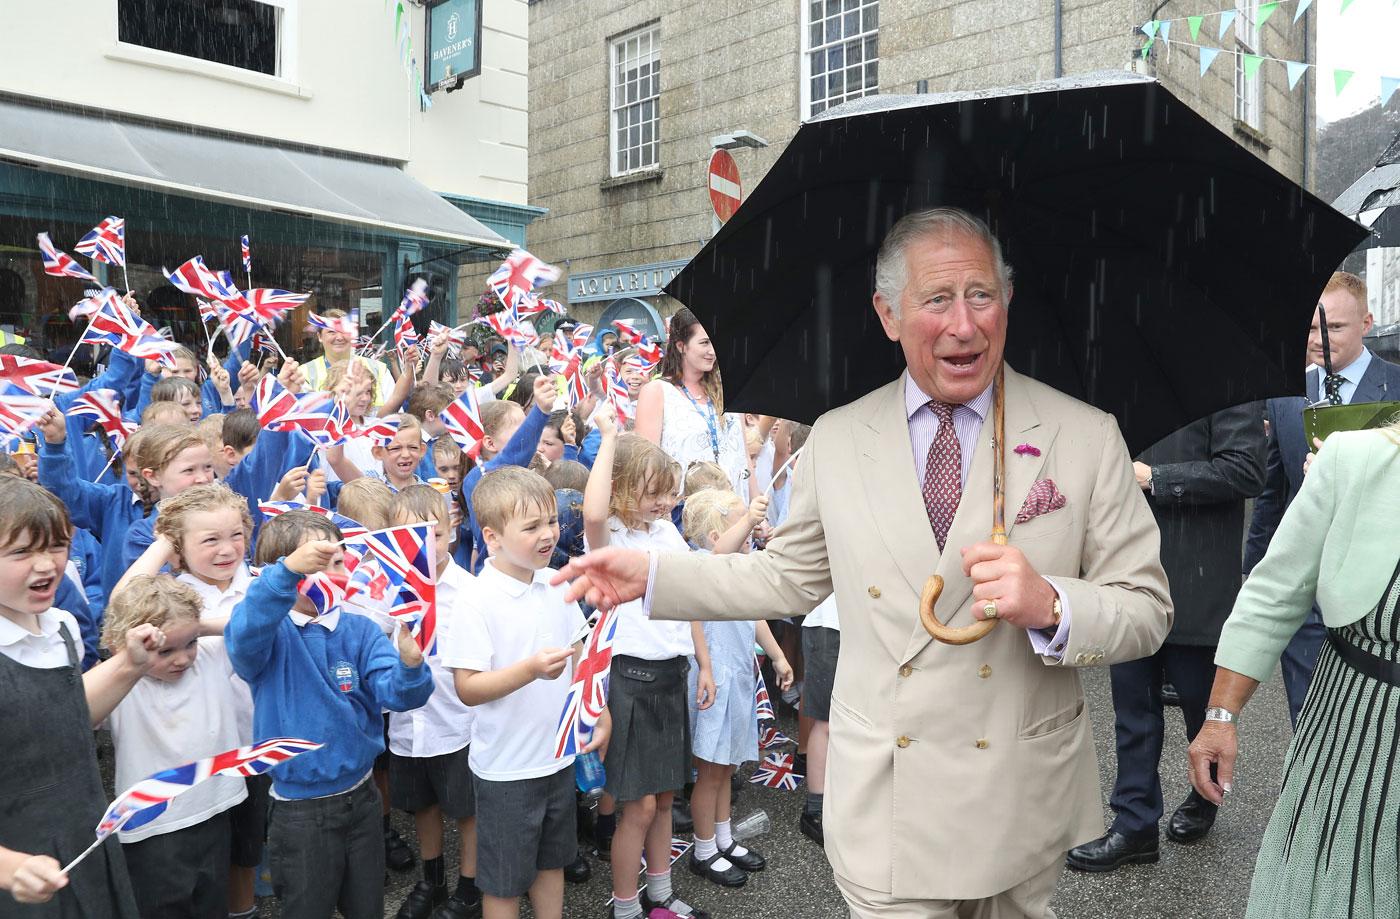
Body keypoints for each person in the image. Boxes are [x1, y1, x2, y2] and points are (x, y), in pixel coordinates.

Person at [555, 206, 1172, 917]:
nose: (964, 324)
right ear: (887, 313)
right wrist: (656, 575)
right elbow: (783, 576)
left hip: (1019, 797)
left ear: (1008, 300)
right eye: (936, 299)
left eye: (981, 295)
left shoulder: (1085, 434)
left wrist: (1055, 606)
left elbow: (1147, 607)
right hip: (889, 796)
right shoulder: (842, 436)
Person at [1188, 423, 1400, 918]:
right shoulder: (1355, 458)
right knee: (1337, 888)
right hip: (1356, 729)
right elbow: (1275, 592)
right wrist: (1221, 716)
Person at [1067, 404, 1265, 872]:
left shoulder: (1226, 384)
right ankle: (1134, 825)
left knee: (1202, 714)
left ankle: (1204, 798)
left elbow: (1246, 471)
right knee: (1132, 714)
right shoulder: (1115, 385)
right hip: (1127, 582)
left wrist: (1156, 477)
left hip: (1196, 589)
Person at [225, 509, 433, 919]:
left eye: (339, 562)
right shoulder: (272, 633)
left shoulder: (360, 628)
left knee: (366, 906)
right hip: (299, 811)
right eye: (319, 563)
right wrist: (284, 576)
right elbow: (244, 636)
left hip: (361, 797)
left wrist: (410, 666)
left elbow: (398, 693)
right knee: (307, 907)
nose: (336, 574)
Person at [444, 466, 609, 919]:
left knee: (552, 862)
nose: (549, 534)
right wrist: (529, 671)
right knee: (502, 880)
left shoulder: (556, 583)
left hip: (557, 759)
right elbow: (468, 688)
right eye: (532, 526)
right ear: (493, 537)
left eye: (552, 521)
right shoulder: (476, 600)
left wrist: (599, 708)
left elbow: (579, 654)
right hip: (507, 770)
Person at [0, 478, 168, 915]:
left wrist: (128, 665)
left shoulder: (60, 625)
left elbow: (63, 716)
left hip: (82, 837)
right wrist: (7, 866)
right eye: (21, 552)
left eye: (57, 546)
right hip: (20, 868)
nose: (47, 565)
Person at [1245, 271, 1400, 726]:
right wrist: (1254, 576)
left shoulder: (1398, 386)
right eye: (1312, 328)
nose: (1320, 339)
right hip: (1305, 592)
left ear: (1367, 322)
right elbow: (1274, 495)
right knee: (1308, 721)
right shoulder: (1286, 394)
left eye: (1334, 328)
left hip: (1380, 594)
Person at [581, 416, 716, 919]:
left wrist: (703, 664)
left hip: (670, 676)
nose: (664, 502)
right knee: (635, 806)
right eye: (653, 492)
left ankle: (661, 895)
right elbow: (592, 510)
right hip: (629, 681)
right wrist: (612, 438)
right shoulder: (610, 538)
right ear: (620, 488)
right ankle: (625, 906)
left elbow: (689, 602)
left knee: (663, 800)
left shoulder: (668, 534)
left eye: (669, 492)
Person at [102, 575, 245, 918]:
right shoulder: (120, 681)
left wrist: (198, 626)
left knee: (212, 904)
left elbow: (253, 619)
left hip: (214, 809)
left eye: (190, 643)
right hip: (152, 829)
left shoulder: (210, 657)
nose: (182, 659)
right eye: (165, 650)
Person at [681, 487, 792, 889]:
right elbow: (716, 561)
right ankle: (704, 848)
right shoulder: (703, 564)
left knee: (728, 767)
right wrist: (748, 518)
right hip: (716, 682)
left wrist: (778, 655)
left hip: (739, 678)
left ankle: (725, 839)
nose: (751, 531)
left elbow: (753, 615)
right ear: (715, 537)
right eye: (741, 525)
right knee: (710, 771)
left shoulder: (741, 568)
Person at [386, 486, 483, 919]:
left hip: (456, 723)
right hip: (408, 724)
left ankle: (469, 884)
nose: (425, 547)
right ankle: (433, 880)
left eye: (436, 535)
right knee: (422, 804)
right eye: (409, 536)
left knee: (466, 809)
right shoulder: (386, 592)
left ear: (452, 532)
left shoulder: (468, 592)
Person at [634, 307, 750, 498]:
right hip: (686, 512)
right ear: (681, 346)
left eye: (715, 342)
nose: (712, 351)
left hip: (736, 509)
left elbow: (744, 459)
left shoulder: (727, 389)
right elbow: (647, 464)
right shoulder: (657, 392)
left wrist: (757, 515)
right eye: (704, 343)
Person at [299, 307, 395, 402]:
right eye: (331, 332)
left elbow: (394, 413)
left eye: (344, 331)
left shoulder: (379, 370)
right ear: (319, 336)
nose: (339, 337)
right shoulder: (303, 374)